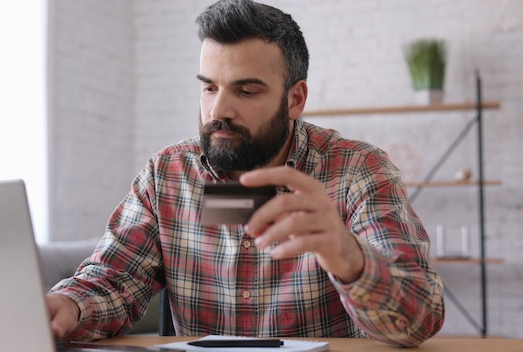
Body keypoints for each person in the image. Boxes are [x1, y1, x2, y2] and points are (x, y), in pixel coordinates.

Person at [47, 0, 445, 347]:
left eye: (246, 91)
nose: (219, 110)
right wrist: (67, 306)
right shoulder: (166, 176)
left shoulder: (357, 172)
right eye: (209, 88)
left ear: (295, 99)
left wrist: (348, 256)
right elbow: (113, 281)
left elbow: (419, 319)